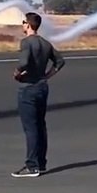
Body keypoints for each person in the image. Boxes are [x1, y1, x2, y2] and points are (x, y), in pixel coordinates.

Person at [11, 11, 65, 178]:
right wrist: (48, 75)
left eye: (23, 23)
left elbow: (24, 62)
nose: (22, 25)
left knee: (31, 128)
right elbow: (60, 61)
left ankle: (32, 166)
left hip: (28, 88)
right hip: (42, 87)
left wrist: (17, 73)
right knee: (40, 126)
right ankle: (41, 163)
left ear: (28, 24)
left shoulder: (26, 42)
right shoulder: (45, 43)